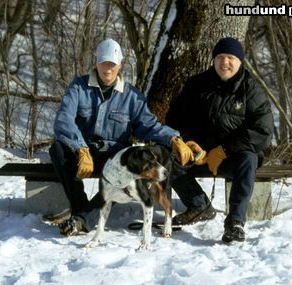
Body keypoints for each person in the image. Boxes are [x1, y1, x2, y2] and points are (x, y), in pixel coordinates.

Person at [49, 38, 196, 236]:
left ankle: (82, 220)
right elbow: (63, 121)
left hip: (114, 155)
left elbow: (149, 126)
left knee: (124, 164)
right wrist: (80, 149)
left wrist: (173, 139)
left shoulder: (132, 96)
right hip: (84, 151)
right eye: (103, 63)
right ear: (96, 62)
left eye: (112, 64)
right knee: (57, 149)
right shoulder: (78, 87)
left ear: (120, 65)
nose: (107, 69)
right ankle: (80, 207)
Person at [166, 37, 274, 243]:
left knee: (249, 158)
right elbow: (174, 119)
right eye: (221, 57)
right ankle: (199, 205)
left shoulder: (252, 90)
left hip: (232, 157)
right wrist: (188, 142)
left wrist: (224, 150)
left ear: (240, 61)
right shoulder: (196, 85)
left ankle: (235, 222)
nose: (225, 62)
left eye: (231, 58)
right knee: (164, 155)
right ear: (214, 60)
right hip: (199, 155)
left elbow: (263, 132)